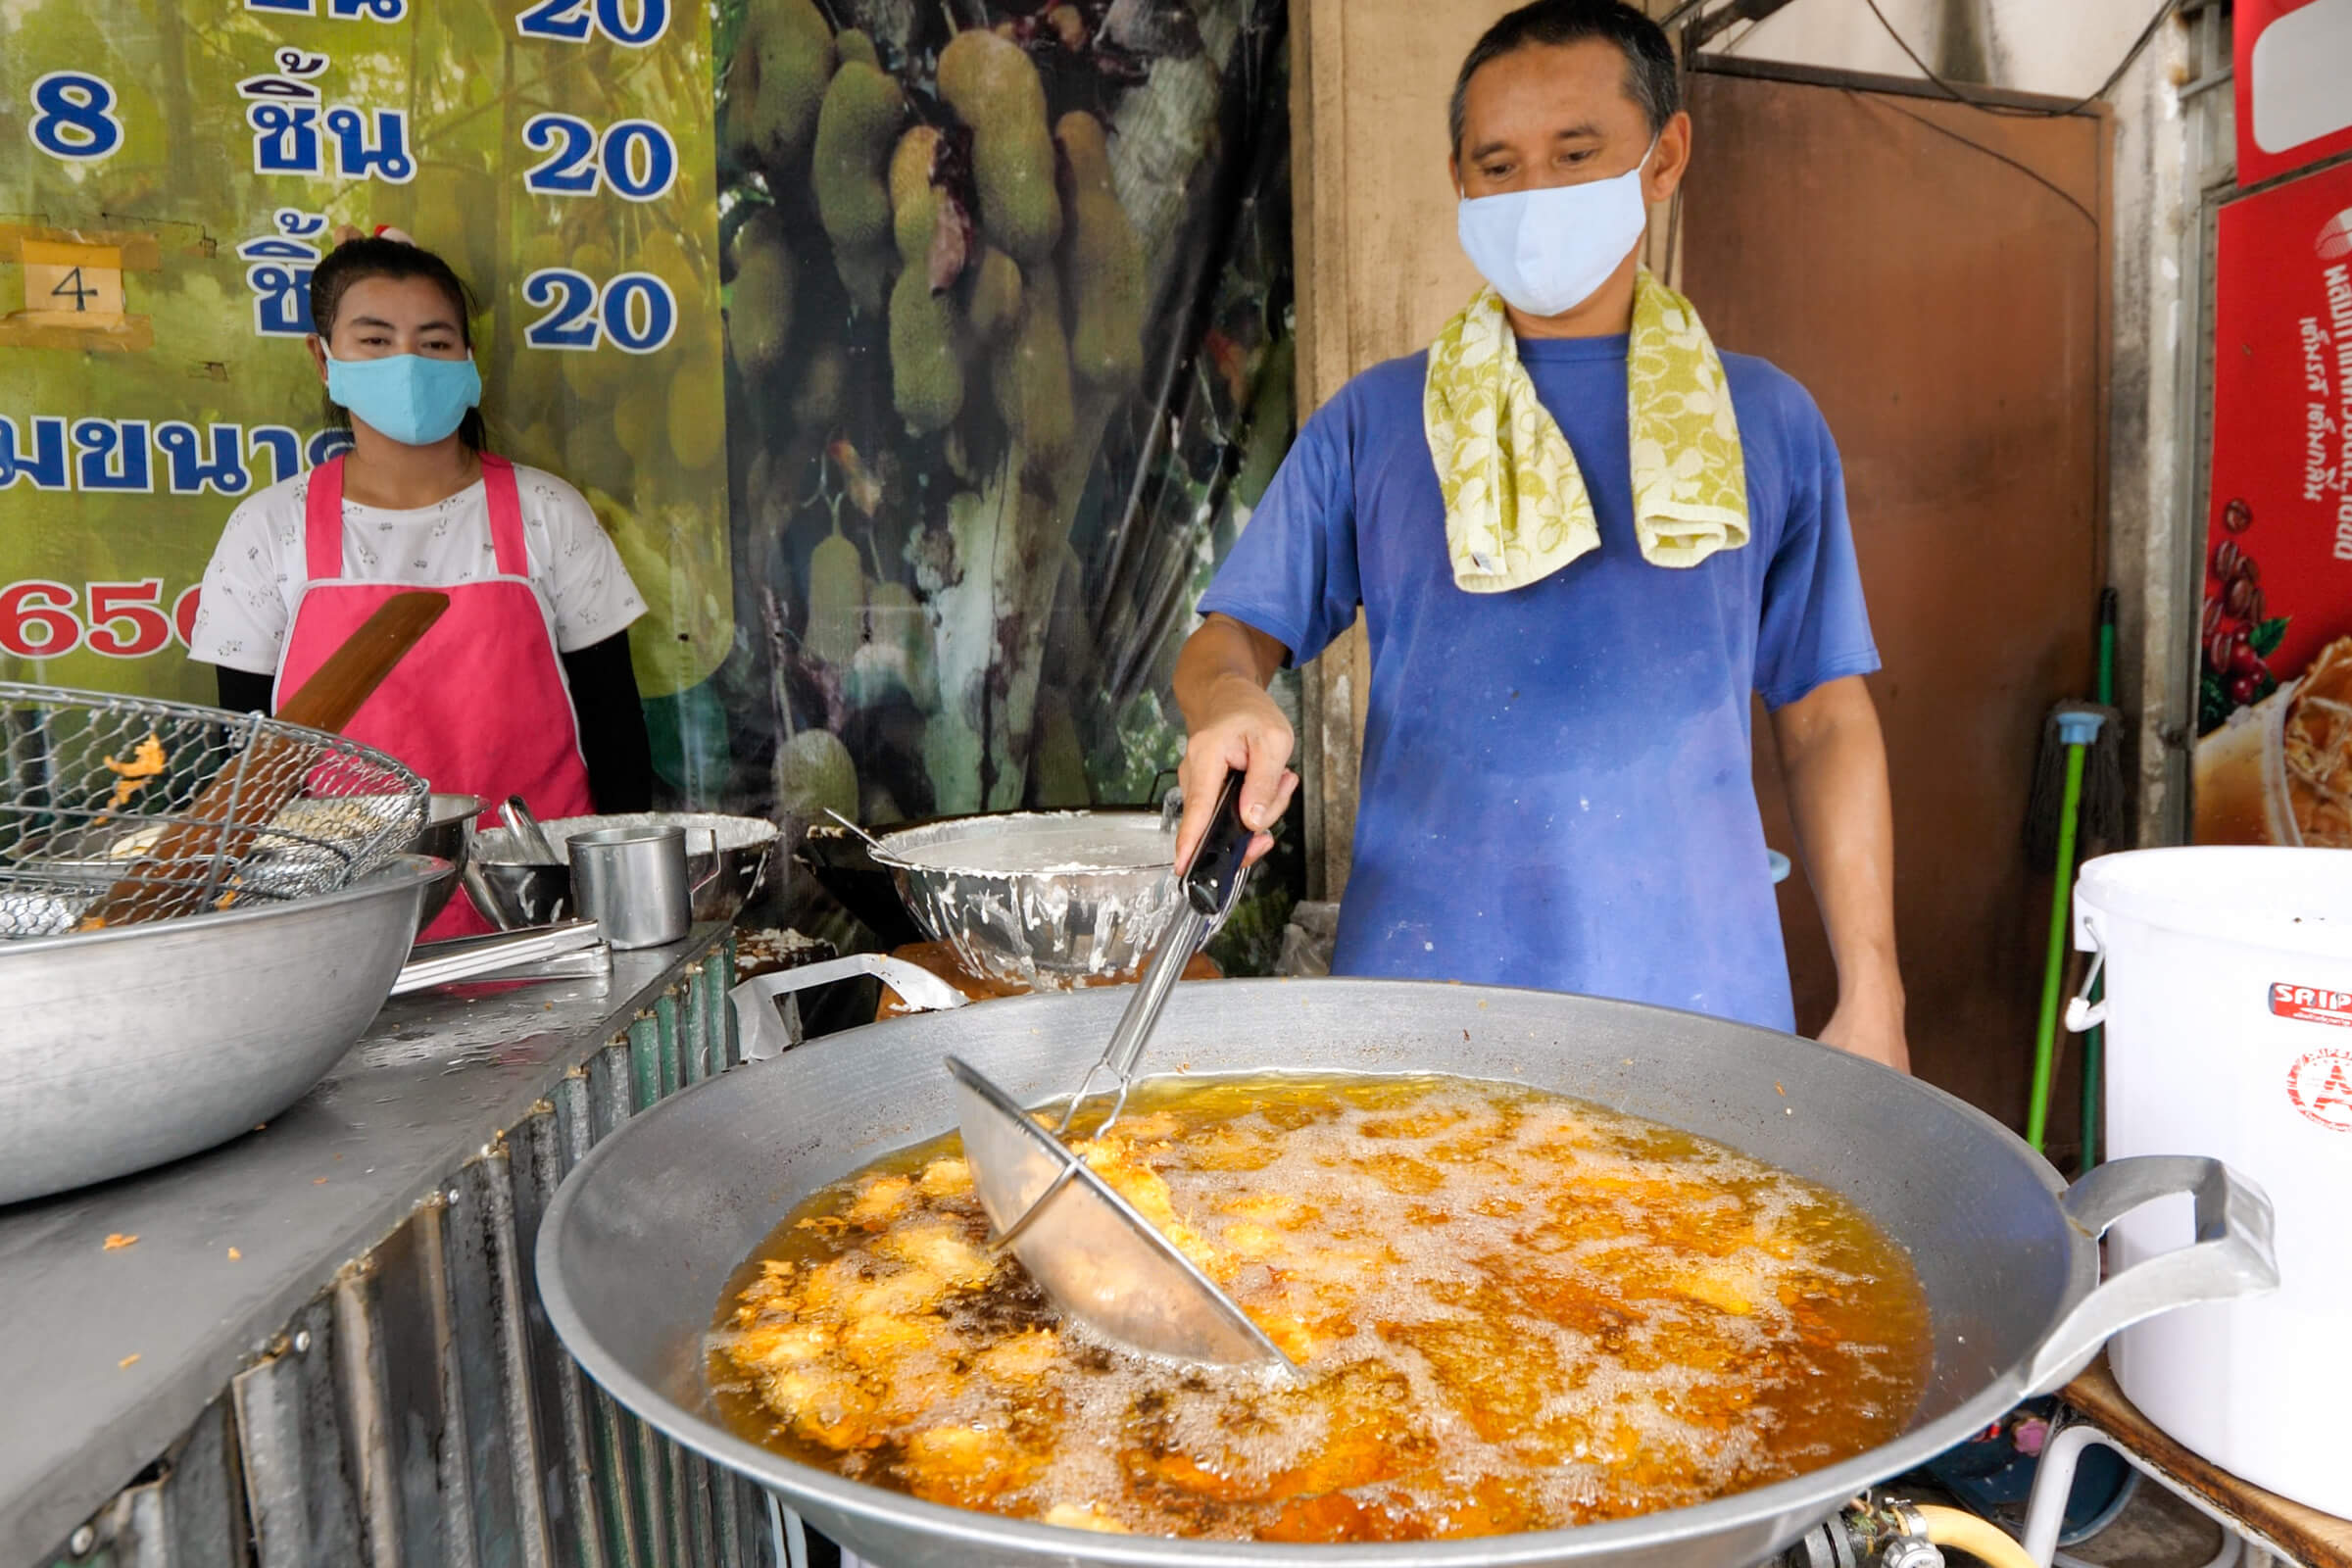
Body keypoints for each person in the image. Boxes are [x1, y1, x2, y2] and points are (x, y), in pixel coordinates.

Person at [1172, 0, 1907, 1069]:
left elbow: (1825, 721)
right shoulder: (1379, 424)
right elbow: (1227, 640)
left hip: (1706, 1014)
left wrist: (1873, 983)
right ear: (1460, 181)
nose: (1536, 195)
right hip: (1426, 1011)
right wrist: (1230, 701)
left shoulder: (1769, 423)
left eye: (1576, 154)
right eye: (1499, 166)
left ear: (1664, 158)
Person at [188, 232, 655, 937]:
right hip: (345, 921)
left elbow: (616, 729)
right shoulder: (268, 530)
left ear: (467, 361)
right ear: (323, 357)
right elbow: (244, 761)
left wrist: (616, 904)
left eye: (434, 343)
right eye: (375, 341)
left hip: (545, 909)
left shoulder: (547, 512)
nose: (407, 362)